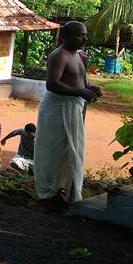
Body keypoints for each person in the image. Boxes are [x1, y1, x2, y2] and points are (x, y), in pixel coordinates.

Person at [34, 21, 101, 207]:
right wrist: (80, 92)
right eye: (80, 35)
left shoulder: (80, 56)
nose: (84, 38)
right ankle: (47, 194)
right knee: (52, 152)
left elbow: (80, 79)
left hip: (74, 107)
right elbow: (52, 84)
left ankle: (64, 189)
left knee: (72, 150)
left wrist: (89, 88)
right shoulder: (58, 55)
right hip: (57, 108)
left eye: (85, 35)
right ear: (66, 36)